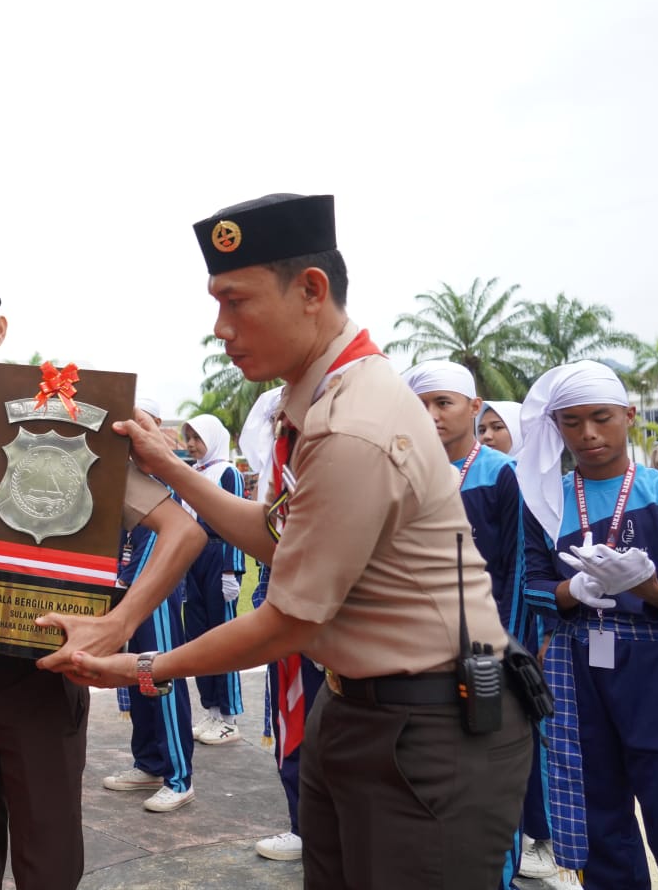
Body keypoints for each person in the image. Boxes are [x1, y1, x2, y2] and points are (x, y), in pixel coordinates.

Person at [70, 194, 531, 889]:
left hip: (428, 727)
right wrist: (167, 466)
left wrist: (143, 668)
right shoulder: (321, 403)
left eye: (236, 301)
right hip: (360, 708)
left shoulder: (353, 424)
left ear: (311, 290)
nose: (221, 327)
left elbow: (289, 617)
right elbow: (277, 536)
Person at [0, 259, 206, 890]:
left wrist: (118, 625)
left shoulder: (65, 421)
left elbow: (183, 531)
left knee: (47, 866)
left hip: (41, 676)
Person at [519, 360, 658, 889]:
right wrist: (573, 591)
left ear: (629, 417)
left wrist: (651, 590)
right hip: (576, 664)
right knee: (596, 806)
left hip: (657, 668)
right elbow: (530, 582)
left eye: (601, 418)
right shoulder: (545, 499)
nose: (587, 434)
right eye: (571, 422)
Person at [403, 360, 558, 886]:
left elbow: (516, 569)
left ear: (474, 407)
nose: (431, 416)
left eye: (443, 403)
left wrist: (503, 651)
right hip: (417, 652)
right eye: (421, 405)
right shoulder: (405, 474)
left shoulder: (501, 474)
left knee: (490, 775)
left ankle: (500, 875)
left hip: (485, 655)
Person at [235, 385, 322, 864]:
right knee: (291, 721)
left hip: (338, 635)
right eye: (278, 426)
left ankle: (326, 827)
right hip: (286, 623)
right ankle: (300, 823)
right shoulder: (274, 490)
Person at [101, 400, 196, 813]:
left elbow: (162, 541)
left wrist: (130, 587)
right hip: (130, 591)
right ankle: (149, 763)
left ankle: (179, 777)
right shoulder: (126, 475)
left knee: (160, 678)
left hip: (152, 593)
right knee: (137, 680)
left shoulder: (163, 477)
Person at [177, 413, 246, 745]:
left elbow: (236, 522)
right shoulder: (191, 473)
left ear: (213, 438)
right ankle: (212, 711)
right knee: (199, 637)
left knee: (225, 639)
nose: (191, 444)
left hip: (219, 558)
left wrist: (232, 570)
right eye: (188, 437)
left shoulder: (228, 473)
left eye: (197, 437)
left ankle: (230, 718)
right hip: (194, 558)